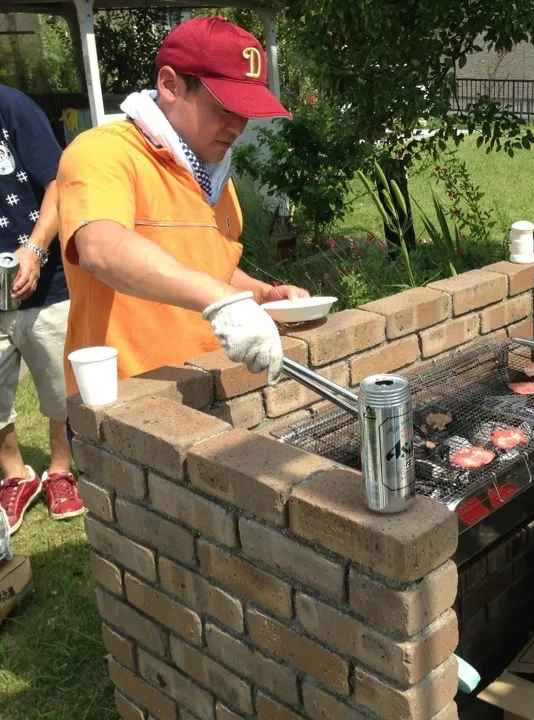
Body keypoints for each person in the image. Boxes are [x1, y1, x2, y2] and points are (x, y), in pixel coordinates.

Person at [56, 16, 307, 403]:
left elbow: (207, 264)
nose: (237, 126)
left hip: (203, 383)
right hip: (127, 399)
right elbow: (101, 248)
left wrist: (259, 295)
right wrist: (219, 299)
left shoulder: (213, 173)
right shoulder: (103, 152)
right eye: (224, 107)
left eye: (245, 112)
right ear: (170, 84)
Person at [0, 85, 82, 535]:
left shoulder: (11, 107)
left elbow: (58, 182)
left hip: (44, 281)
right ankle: (16, 476)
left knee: (58, 384)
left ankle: (60, 468)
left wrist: (34, 248)